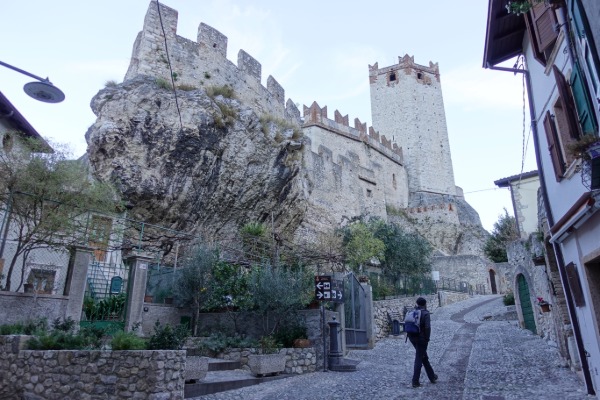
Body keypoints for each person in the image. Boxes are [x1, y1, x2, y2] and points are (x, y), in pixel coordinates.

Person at [407, 297, 437, 388]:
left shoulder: (413, 312)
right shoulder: (426, 313)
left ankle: (432, 376)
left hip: (412, 337)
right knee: (419, 358)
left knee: (423, 356)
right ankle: (415, 381)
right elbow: (427, 327)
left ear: (417, 303)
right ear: (425, 304)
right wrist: (427, 338)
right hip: (421, 339)